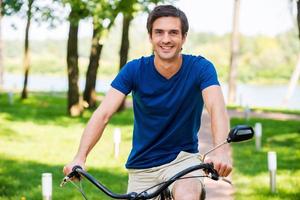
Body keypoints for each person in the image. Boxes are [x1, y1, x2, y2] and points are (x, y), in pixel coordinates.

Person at [63, 5, 232, 200]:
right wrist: (80, 157)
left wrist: (221, 152)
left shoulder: (200, 68)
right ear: (150, 37)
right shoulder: (134, 70)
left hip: (183, 161)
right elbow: (103, 114)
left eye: (173, 33)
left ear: (184, 38)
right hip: (142, 167)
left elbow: (216, 108)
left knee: (188, 194)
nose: (166, 39)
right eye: (159, 32)